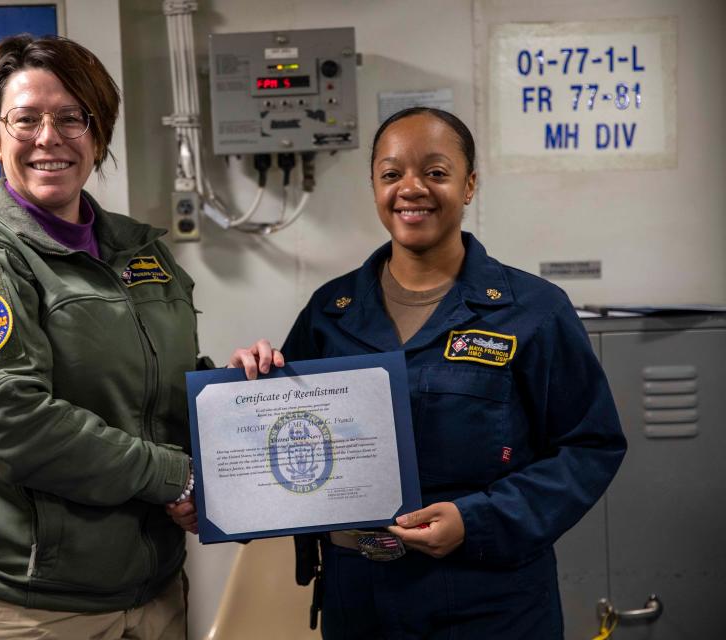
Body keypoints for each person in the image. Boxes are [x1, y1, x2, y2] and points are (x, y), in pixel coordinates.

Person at [227, 107, 627, 639]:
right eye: (392, 174)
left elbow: (590, 446)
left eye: (435, 172)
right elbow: (289, 443)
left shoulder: (533, 311)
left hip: (489, 600)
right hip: (359, 597)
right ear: (374, 187)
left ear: (469, 185)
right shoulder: (331, 312)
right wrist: (250, 388)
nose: (411, 188)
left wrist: (479, 520)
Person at [0, 34, 204, 640]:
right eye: (26, 119)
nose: (50, 137)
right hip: (23, 602)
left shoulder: (140, 250)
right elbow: (11, 419)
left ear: (98, 135)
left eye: (72, 118)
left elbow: (153, 388)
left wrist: (234, 391)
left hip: (152, 590)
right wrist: (178, 476)